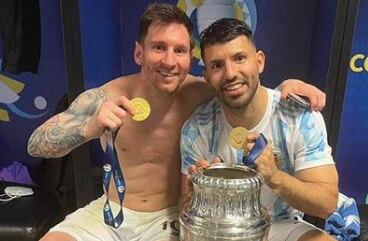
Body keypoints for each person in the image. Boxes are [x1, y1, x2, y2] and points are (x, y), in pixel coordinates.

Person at [28, 4, 326, 241]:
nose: (169, 61)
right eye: (159, 47)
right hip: (110, 215)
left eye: (180, 51)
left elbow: (243, 87)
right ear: (138, 52)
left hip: (167, 221)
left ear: (189, 57)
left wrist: (289, 85)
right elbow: (37, 144)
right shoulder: (107, 96)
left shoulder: (199, 91)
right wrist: (87, 127)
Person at [180, 18, 339, 241]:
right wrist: (196, 193)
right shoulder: (195, 129)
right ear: (207, 77)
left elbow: (327, 203)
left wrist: (275, 177)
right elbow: (185, 209)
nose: (230, 73)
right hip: (220, 231)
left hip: (281, 224)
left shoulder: (298, 117)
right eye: (217, 65)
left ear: (259, 62)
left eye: (239, 58)